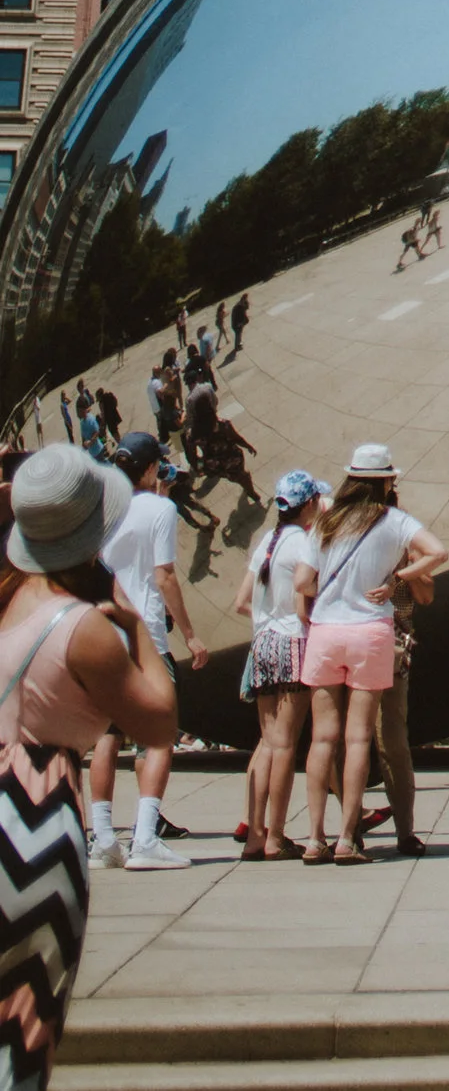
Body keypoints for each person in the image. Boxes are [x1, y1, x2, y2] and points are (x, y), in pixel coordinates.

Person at [0, 449, 181, 1080]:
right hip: (38, 817)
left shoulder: (7, 603)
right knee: (27, 1020)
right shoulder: (85, 628)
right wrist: (136, 631)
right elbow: (159, 723)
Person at [296, 447, 449, 863]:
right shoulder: (394, 521)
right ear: (385, 482)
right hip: (371, 632)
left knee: (322, 738)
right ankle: (347, 838)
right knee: (361, 736)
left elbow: (304, 582)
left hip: (326, 633)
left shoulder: (324, 522)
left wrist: (333, 594)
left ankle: (314, 838)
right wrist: (396, 576)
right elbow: (438, 551)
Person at [87, 437, 200, 869]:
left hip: (104, 633)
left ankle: (103, 840)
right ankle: (146, 837)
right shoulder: (160, 510)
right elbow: (165, 575)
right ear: (152, 469)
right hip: (146, 635)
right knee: (159, 735)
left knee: (107, 736)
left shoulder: (103, 510)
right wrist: (189, 634)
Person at [232, 468, 322, 857]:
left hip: (262, 644)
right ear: (310, 505)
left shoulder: (267, 540)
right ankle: (276, 837)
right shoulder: (306, 542)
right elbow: (305, 603)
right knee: (286, 746)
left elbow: (241, 601)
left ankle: (255, 833)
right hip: (292, 644)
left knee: (268, 743)